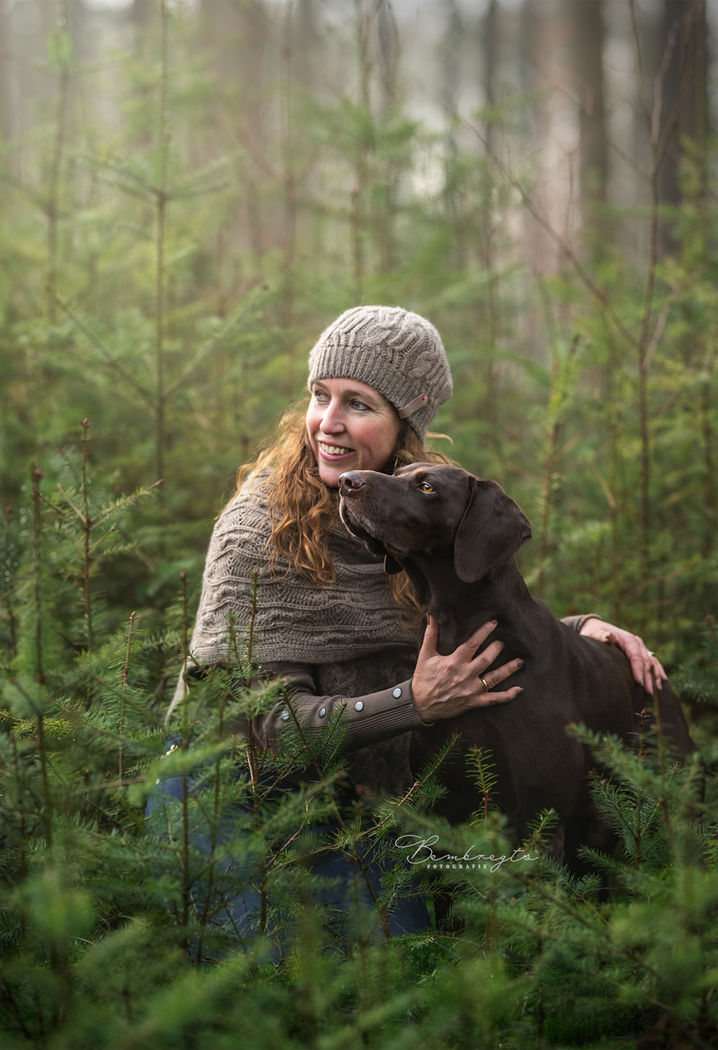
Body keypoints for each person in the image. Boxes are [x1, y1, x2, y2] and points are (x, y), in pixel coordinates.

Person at [158, 304, 666, 947]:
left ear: (405, 421)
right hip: (227, 789)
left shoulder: (409, 504)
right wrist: (413, 701)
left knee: (406, 963)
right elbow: (263, 729)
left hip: (352, 798)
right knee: (272, 978)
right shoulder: (256, 532)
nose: (329, 424)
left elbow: (468, 612)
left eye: (359, 403)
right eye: (320, 396)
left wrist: (582, 628)